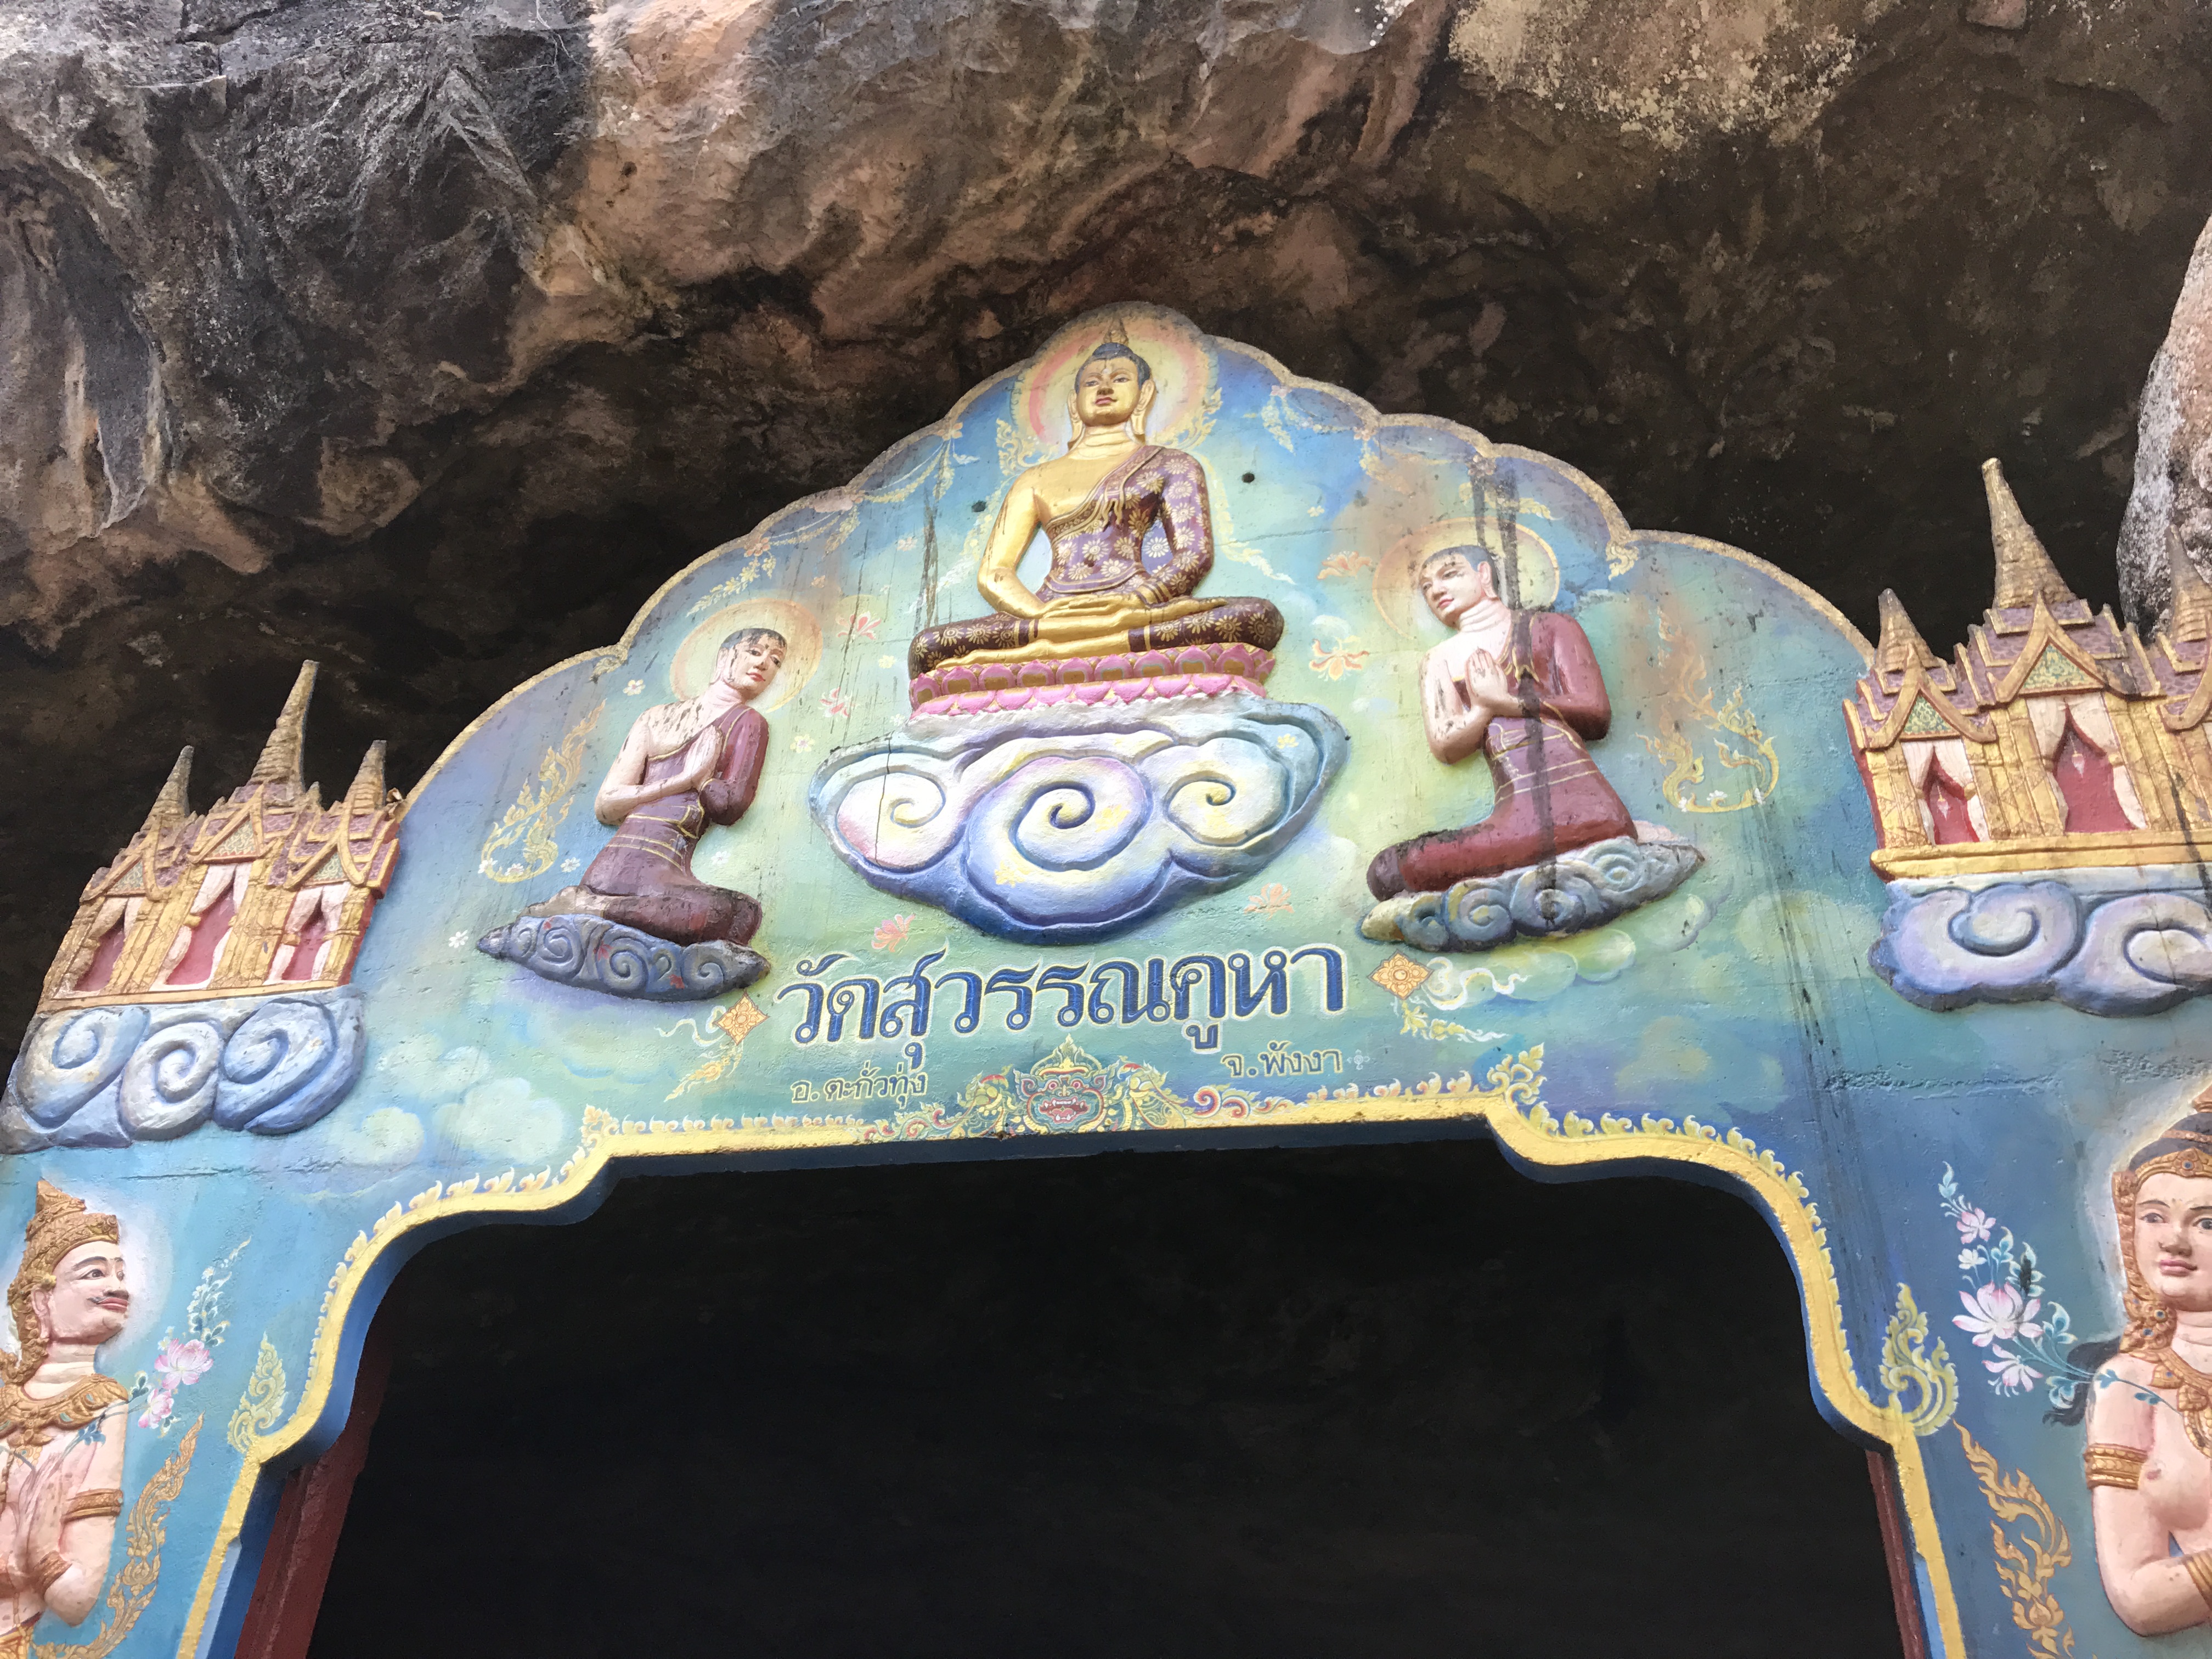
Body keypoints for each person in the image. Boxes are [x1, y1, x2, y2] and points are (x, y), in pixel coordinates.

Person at [907, 341, 1282, 677]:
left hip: (1135, 607)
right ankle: (1093, 646)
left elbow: (1193, 555)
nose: (1104, 388)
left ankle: (1056, 656)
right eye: (1091, 382)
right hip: (1050, 613)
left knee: (1255, 618)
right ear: (1074, 401)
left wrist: (1137, 602)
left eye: (1120, 379)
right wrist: (1039, 614)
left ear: (1145, 394)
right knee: (929, 647)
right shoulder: (1034, 479)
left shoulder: (1171, 464)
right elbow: (994, 572)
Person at [1365, 544, 1635, 899]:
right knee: (1389, 869)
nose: (1436, 591)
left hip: (1577, 800)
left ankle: (1592, 824)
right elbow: (1445, 744)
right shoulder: (1438, 659)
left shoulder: (1552, 627)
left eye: (1450, 574)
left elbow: (1595, 711)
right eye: (1427, 587)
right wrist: (1482, 709)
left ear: (1484, 575)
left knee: (1405, 868)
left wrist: (1507, 702)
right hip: (1516, 804)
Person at [524, 628, 783, 948]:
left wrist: (703, 780)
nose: (765, 664)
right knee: (739, 913)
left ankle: (589, 905)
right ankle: (592, 906)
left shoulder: (747, 722)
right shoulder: (657, 717)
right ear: (724, 657)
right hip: (628, 865)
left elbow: (729, 808)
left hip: (664, 869)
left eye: (776, 661)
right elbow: (606, 806)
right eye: (755, 652)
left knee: (741, 914)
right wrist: (685, 780)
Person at [2070, 1108, 2212, 1634]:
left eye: (2207, 1222)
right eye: (2154, 1217)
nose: (2174, 1241)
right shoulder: (2126, 1386)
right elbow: (2139, 1598)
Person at [0, 1181, 131, 1657]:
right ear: (41, 1299)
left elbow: (76, 1601)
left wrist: (40, 1552)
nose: (118, 1287)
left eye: (120, 1273)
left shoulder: (106, 1407)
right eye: (94, 1273)